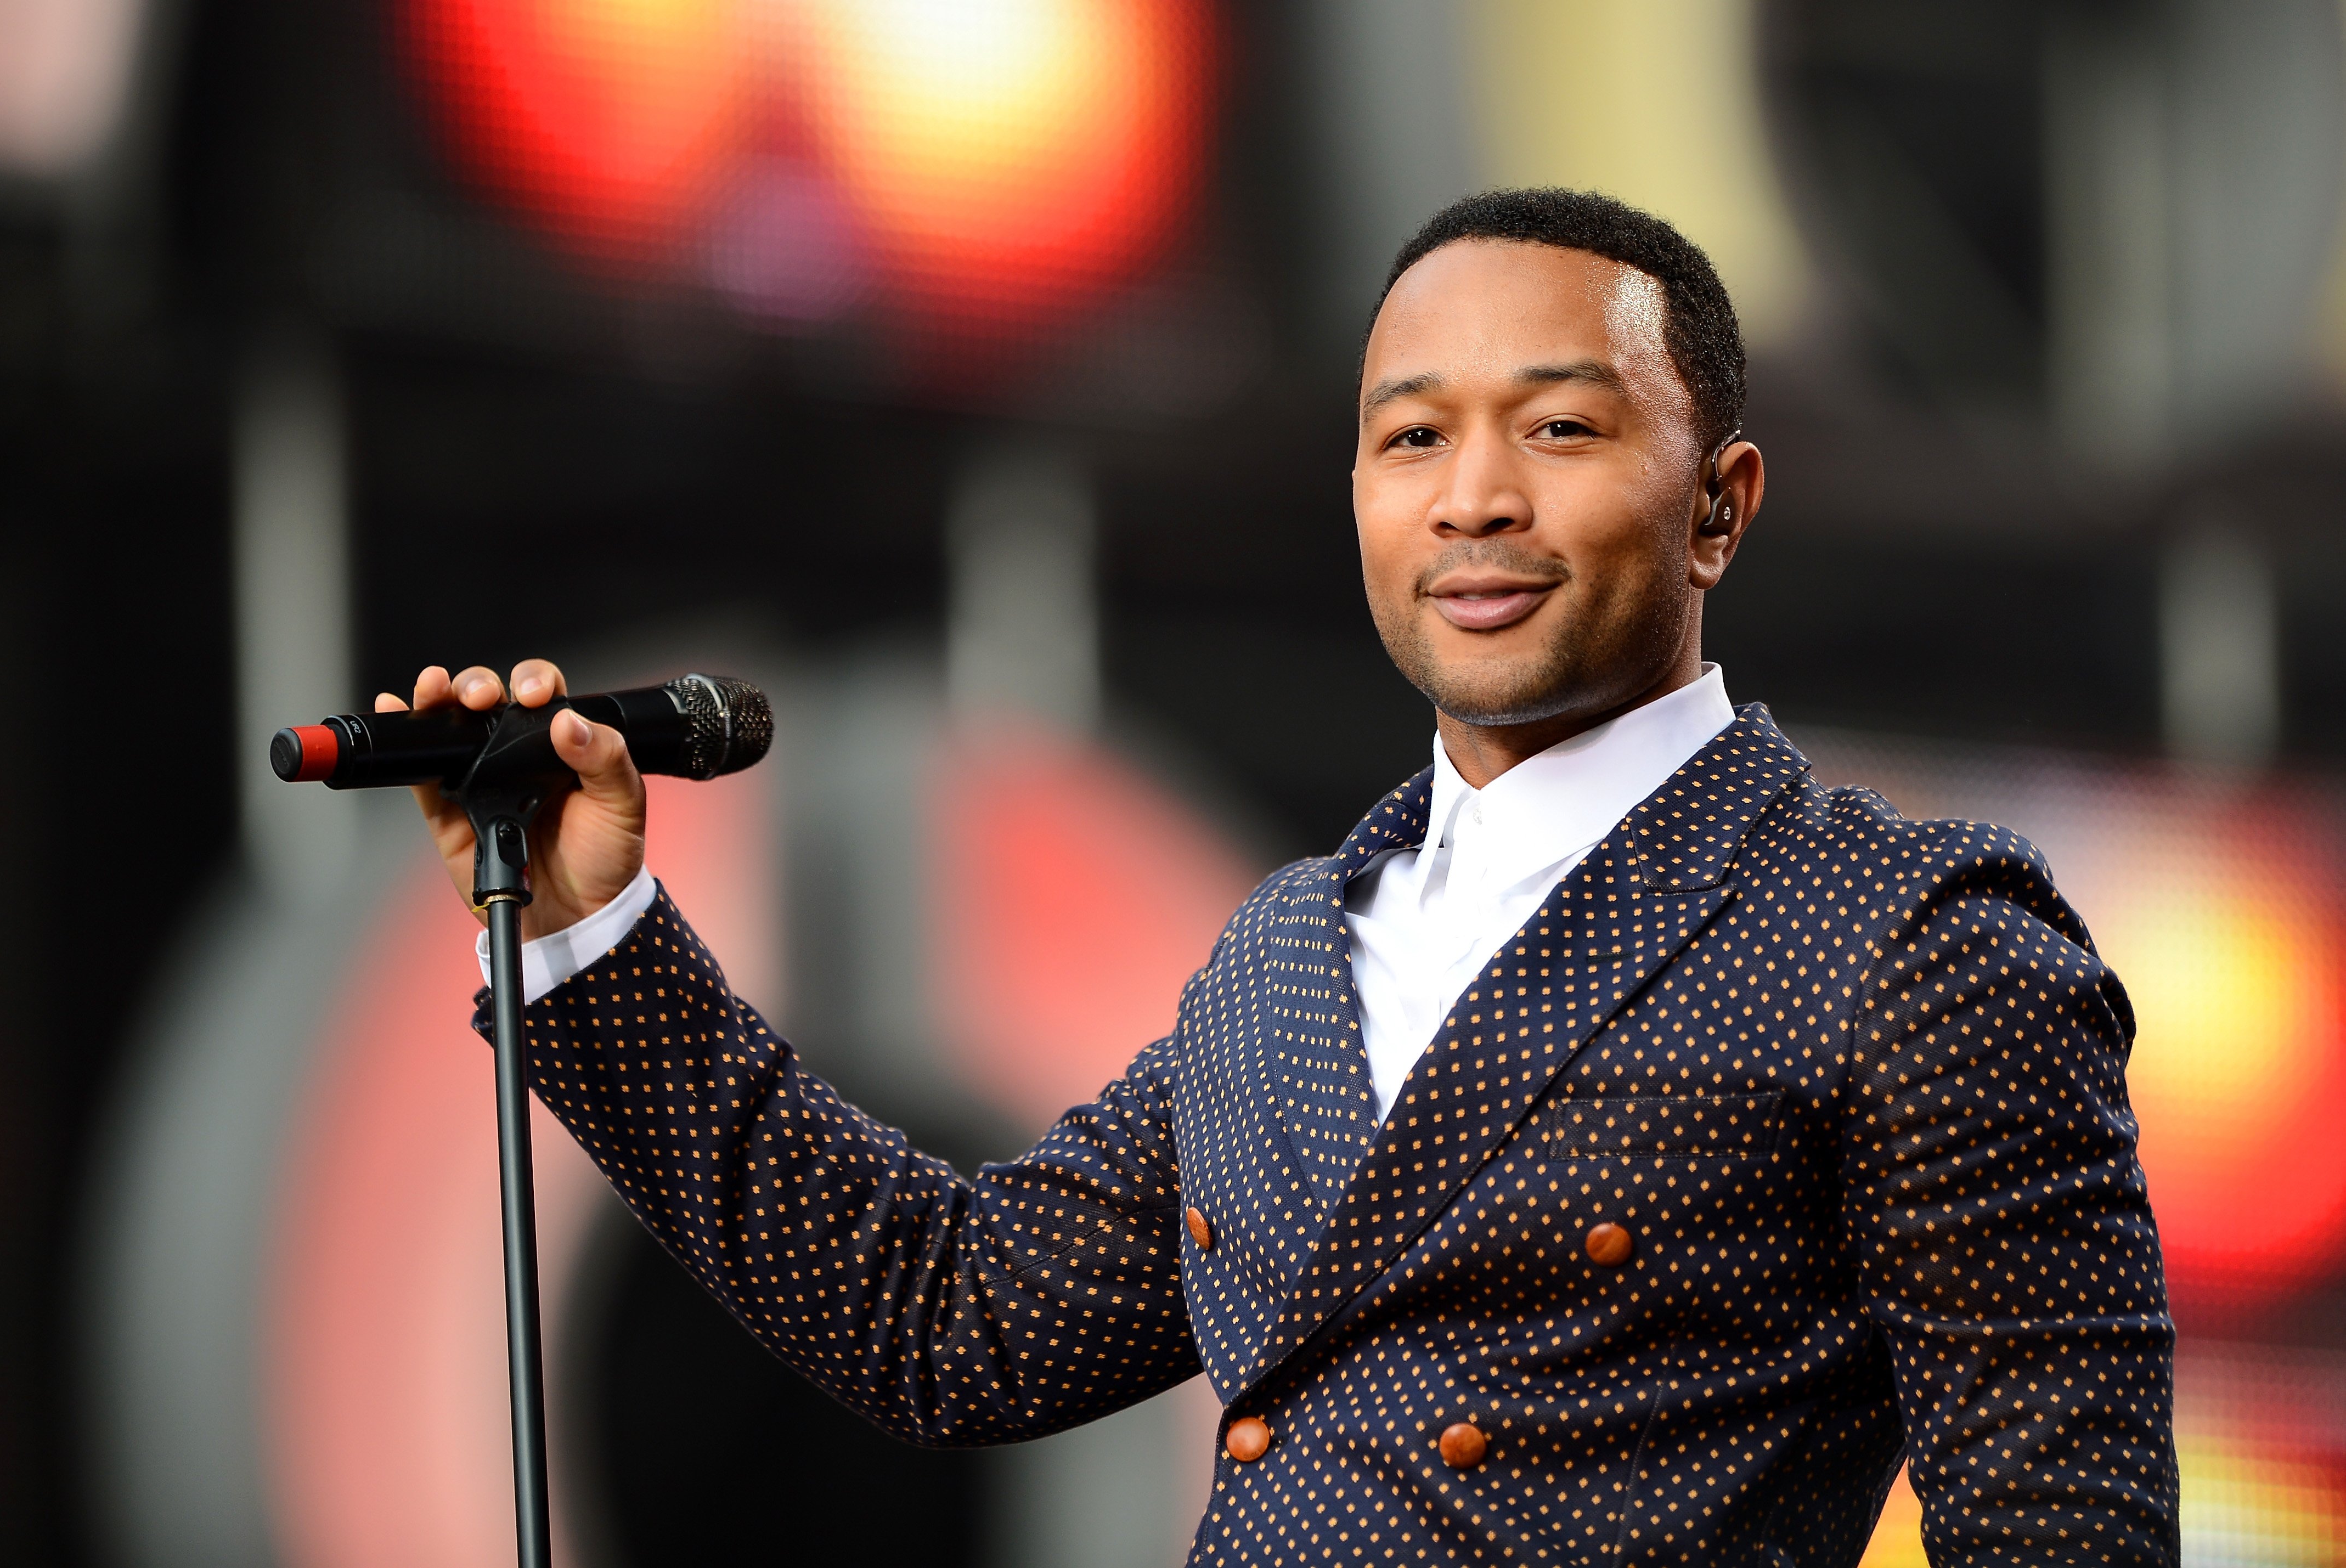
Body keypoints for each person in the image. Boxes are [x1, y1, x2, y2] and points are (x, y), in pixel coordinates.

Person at [381, 189, 2178, 1564]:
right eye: (1411, 436)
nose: (1472, 496)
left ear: (1719, 504)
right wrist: (589, 930)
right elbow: (946, 1320)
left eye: (1556, 428)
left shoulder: (1910, 940)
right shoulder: (1289, 950)